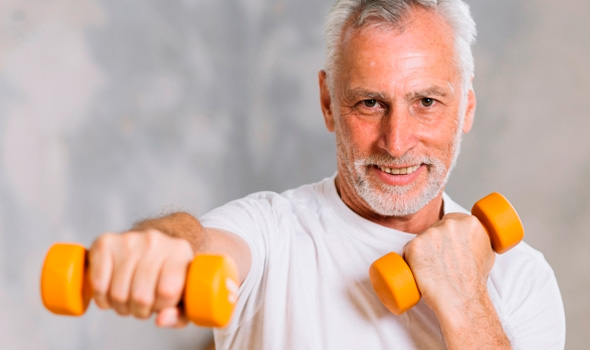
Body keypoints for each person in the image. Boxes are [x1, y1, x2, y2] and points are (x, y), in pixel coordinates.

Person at [87, 0, 566, 349]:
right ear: (327, 103)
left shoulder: (522, 279)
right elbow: (202, 245)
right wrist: (162, 247)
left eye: (426, 102)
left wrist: (465, 301)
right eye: (370, 103)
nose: (396, 142)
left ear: (466, 106)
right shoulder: (273, 232)